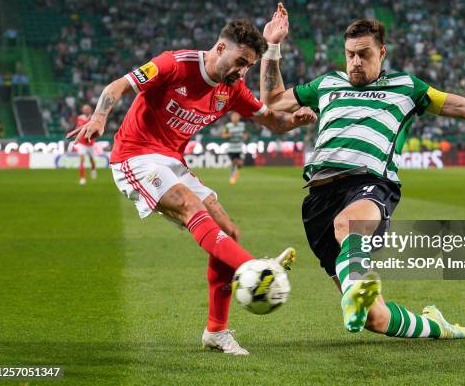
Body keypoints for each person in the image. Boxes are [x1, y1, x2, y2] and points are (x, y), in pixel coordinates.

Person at [260, 4, 465, 339]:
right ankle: (439, 327)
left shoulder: (407, 87)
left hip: (370, 184)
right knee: (377, 319)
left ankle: (359, 285)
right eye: (350, 54)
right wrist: (272, 46)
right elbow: (272, 100)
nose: (356, 62)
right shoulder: (326, 84)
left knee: (348, 224)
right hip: (318, 198)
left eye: (364, 54)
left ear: (381, 52)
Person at [67, 19, 317, 355]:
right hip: (134, 156)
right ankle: (255, 268)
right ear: (220, 48)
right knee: (190, 207)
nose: (243, 72)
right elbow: (117, 86)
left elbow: (273, 120)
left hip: (172, 162)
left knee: (228, 232)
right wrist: (99, 117)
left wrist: (295, 120)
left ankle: (216, 331)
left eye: (249, 66)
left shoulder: (232, 89)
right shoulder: (175, 64)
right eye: (241, 62)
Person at [221, 111, 247, 185]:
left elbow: (246, 134)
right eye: (234, 116)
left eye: (237, 116)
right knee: (235, 161)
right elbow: (223, 135)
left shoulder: (242, 125)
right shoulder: (228, 126)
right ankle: (233, 176)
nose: (235, 118)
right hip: (231, 148)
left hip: (239, 147)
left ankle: (234, 172)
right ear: (231, 118)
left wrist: (245, 136)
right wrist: (228, 135)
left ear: (239, 118)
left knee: (240, 163)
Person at [75, 104, 97, 185]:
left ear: (90, 110)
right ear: (82, 110)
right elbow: (78, 127)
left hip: (90, 143)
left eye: (87, 109)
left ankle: (93, 170)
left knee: (91, 160)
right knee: (82, 160)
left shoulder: (94, 118)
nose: (86, 110)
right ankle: (82, 178)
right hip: (82, 143)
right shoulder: (79, 118)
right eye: (84, 109)